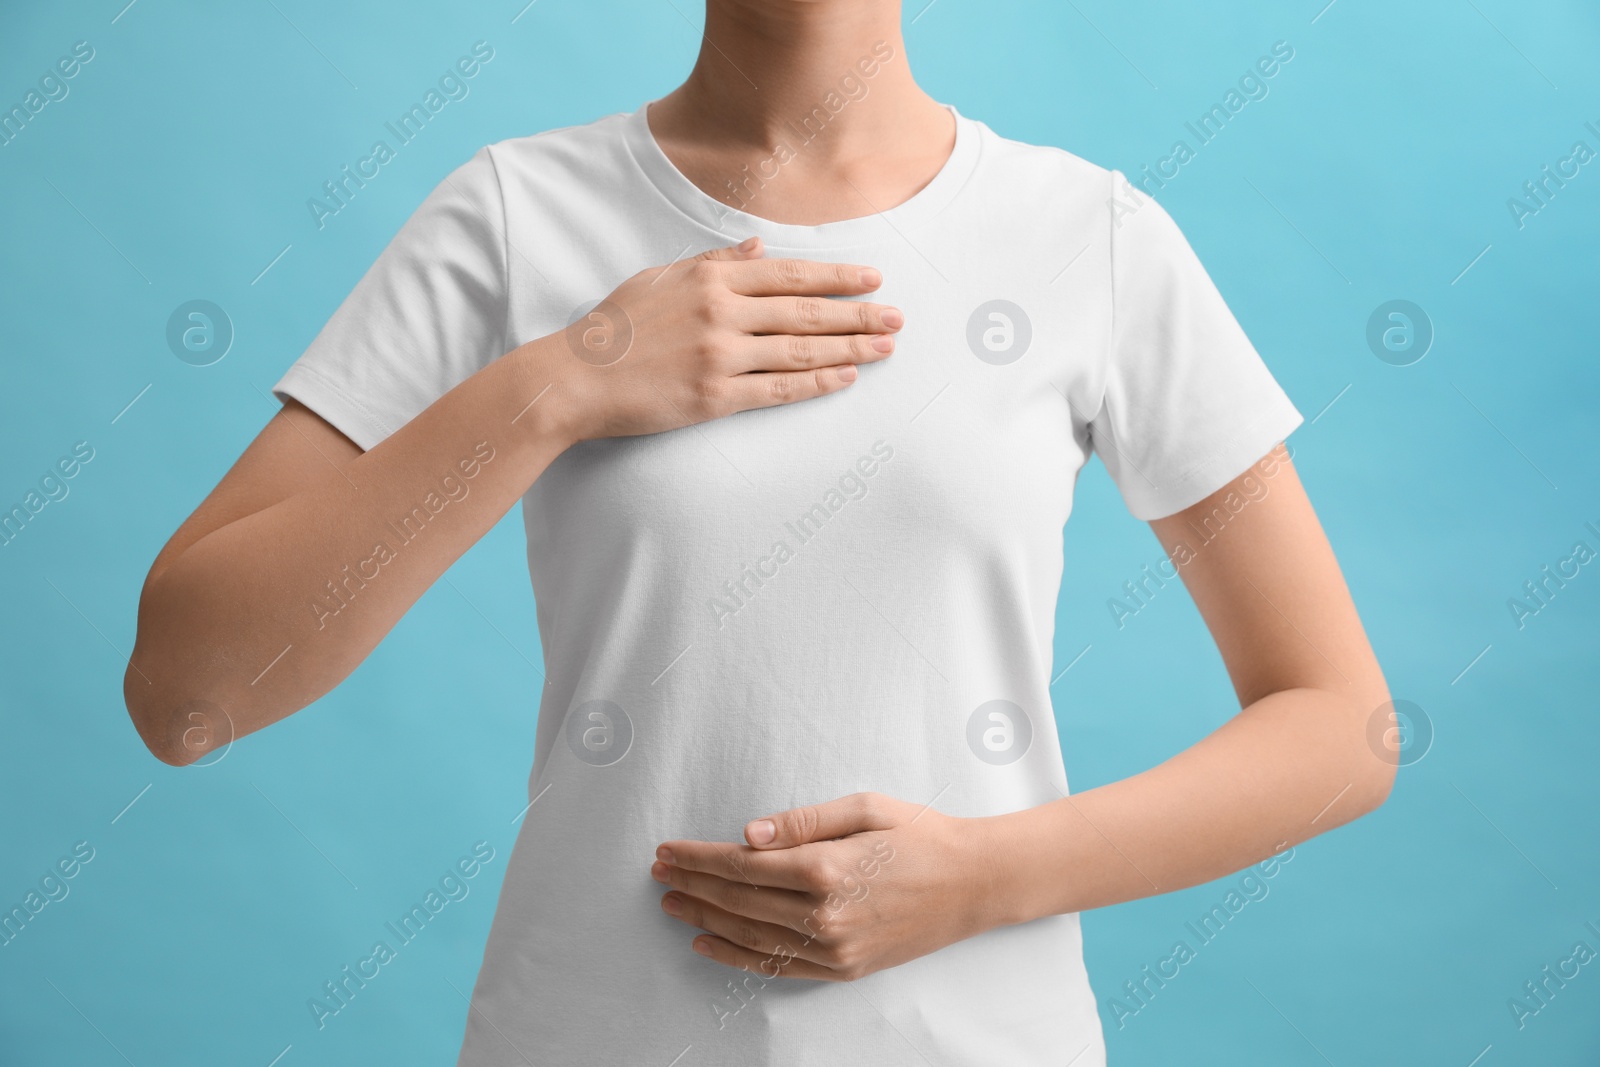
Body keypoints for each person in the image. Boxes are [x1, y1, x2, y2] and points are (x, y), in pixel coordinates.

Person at [123, 1, 1394, 1063]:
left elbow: (1343, 724)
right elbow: (184, 691)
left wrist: (980, 876)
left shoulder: (1089, 241)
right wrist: (557, 383)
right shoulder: (516, 216)